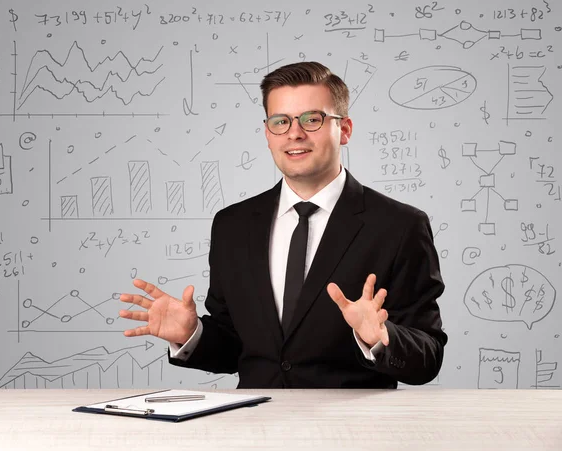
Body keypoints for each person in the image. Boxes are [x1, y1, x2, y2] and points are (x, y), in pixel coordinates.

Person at [119, 61, 447, 389]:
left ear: (344, 129)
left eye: (312, 119)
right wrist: (193, 334)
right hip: (254, 427)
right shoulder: (231, 226)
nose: (295, 132)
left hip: (351, 431)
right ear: (267, 133)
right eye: (281, 121)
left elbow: (428, 357)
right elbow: (237, 348)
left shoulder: (400, 226)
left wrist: (379, 337)